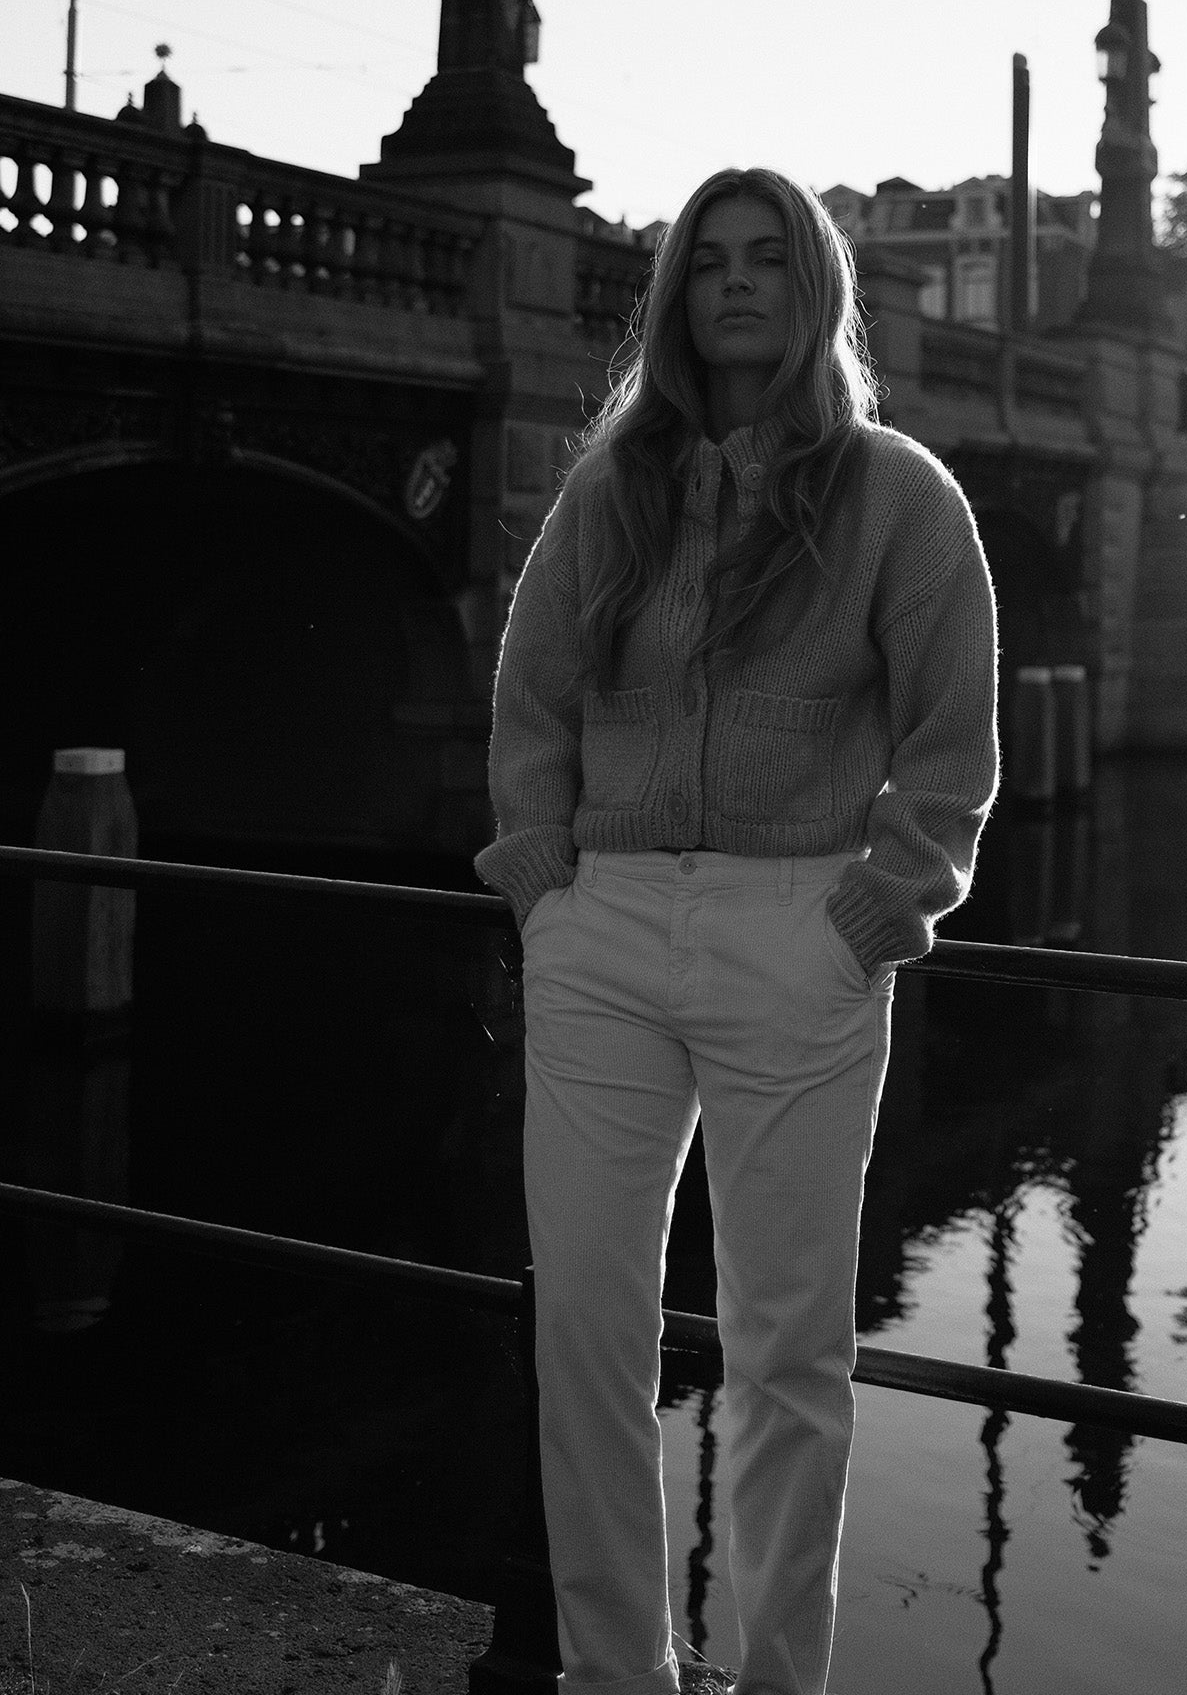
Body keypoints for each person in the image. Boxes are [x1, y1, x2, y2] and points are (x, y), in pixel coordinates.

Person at [476, 165, 999, 1694]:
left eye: (769, 258)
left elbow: (953, 736)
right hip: (607, 932)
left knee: (788, 1353)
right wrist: (545, 884)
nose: (739, 284)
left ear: (814, 287)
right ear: (678, 297)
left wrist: (882, 903)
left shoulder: (897, 494)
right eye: (710, 263)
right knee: (586, 1329)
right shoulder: (611, 491)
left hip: (801, 933)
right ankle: (612, 1675)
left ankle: (776, 1681)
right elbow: (532, 696)